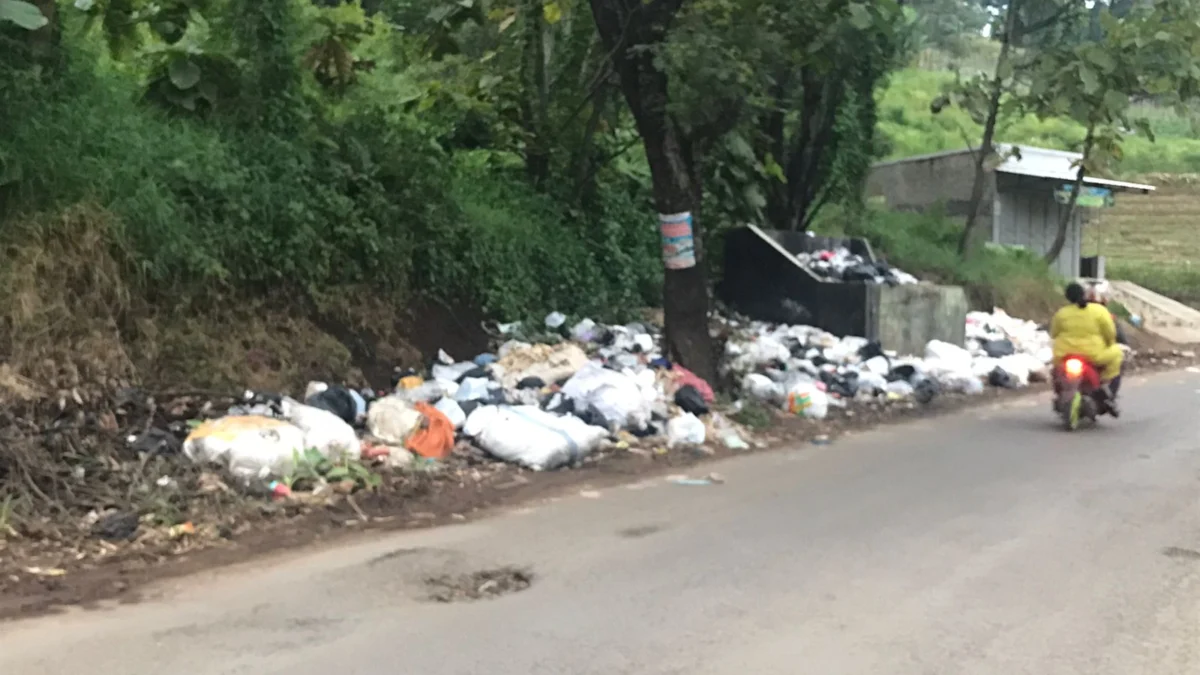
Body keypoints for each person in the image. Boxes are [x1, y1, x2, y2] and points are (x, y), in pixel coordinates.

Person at [1051, 282, 1123, 416]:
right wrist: (1109, 343)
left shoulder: (1061, 313)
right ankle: (1105, 383)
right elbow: (1110, 333)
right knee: (1117, 353)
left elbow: (1054, 333)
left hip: (1064, 354)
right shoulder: (1099, 311)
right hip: (1093, 355)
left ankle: (1061, 392)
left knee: (1055, 370)